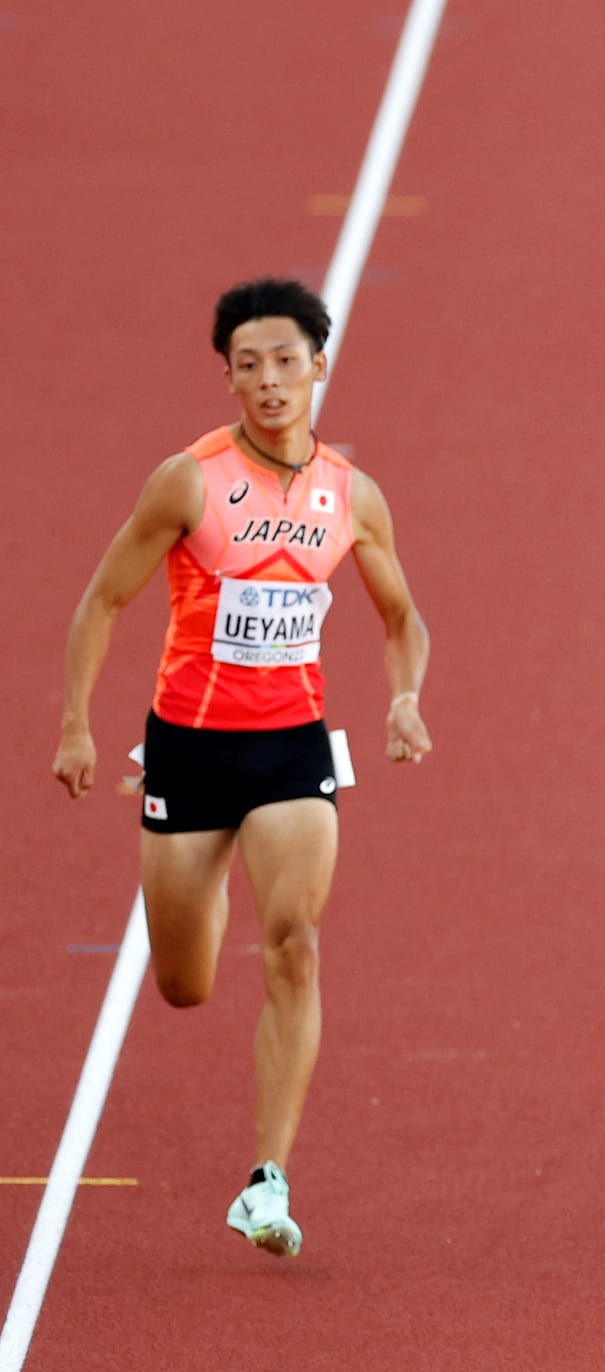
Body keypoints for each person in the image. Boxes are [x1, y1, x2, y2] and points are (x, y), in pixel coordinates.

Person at [51, 277, 435, 1256]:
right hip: (186, 746)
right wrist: (77, 727)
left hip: (293, 748)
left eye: (287, 362)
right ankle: (208, 881)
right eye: (250, 365)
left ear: (318, 369)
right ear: (227, 376)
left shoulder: (352, 496)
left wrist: (402, 696)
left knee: (296, 940)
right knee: (183, 985)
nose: (270, 382)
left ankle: (267, 1180)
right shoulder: (188, 481)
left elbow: (400, 617)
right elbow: (102, 602)